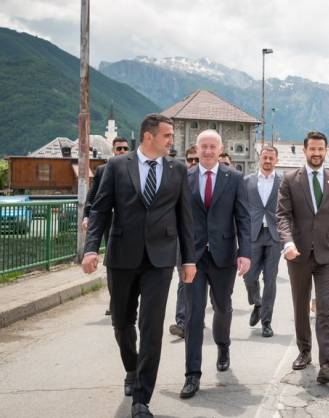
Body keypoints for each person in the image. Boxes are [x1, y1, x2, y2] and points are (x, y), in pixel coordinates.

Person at [81, 114, 196, 418]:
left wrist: (188, 259)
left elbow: (185, 217)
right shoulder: (117, 167)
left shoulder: (177, 170)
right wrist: (90, 249)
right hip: (122, 256)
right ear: (148, 136)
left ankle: (142, 399)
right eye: (167, 135)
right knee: (122, 322)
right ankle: (131, 368)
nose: (172, 141)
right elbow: (100, 210)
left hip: (160, 260)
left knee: (151, 327)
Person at [179, 130, 251, 399]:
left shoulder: (234, 178)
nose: (208, 151)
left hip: (224, 256)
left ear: (221, 149)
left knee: (222, 307)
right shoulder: (184, 178)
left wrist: (245, 253)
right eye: (204, 146)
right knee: (193, 313)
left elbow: (243, 218)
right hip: (193, 257)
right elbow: (177, 217)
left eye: (213, 146)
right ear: (196, 149)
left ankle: (223, 345)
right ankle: (192, 374)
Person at [277, 131, 329, 384]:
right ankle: (304, 351)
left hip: (328, 254)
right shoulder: (290, 180)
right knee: (300, 304)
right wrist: (287, 242)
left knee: (325, 307)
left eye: (321, 149)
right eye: (313, 149)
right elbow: (283, 216)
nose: (317, 153)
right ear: (305, 150)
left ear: (326, 151)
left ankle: (326, 363)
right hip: (298, 254)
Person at [82, 136, 130, 316]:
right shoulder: (103, 170)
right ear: (113, 150)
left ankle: (129, 300)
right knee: (112, 263)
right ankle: (115, 302)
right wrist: (87, 216)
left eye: (125, 148)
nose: (122, 151)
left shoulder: (135, 169)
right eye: (119, 149)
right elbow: (92, 197)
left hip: (131, 225)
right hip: (110, 224)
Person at [243, 146, 283, 338]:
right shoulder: (247, 181)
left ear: (276, 160)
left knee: (270, 280)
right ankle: (257, 303)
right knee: (249, 276)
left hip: (275, 236)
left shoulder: (283, 182)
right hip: (253, 234)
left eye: (271, 158)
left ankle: (266, 322)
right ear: (260, 158)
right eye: (265, 157)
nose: (267, 161)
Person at [170, 145, 199, 339]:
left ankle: (197, 316)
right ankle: (181, 322)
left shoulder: (210, 179)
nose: (193, 163)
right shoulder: (178, 179)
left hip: (204, 239)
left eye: (197, 159)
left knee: (202, 282)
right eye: (190, 160)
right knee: (183, 279)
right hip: (182, 239)